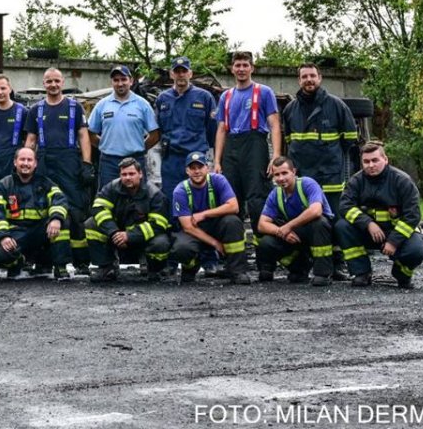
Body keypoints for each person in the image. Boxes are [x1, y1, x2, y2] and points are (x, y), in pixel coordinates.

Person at [281, 62, 358, 280]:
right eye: (304, 76)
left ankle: (336, 264)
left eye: (312, 76)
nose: (309, 80)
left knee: (333, 219)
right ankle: (308, 263)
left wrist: (332, 160)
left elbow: (349, 141)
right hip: (304, 177)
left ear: (320, 78)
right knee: (305, 220)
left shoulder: (336, 106)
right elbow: (290, 143)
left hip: (330, 176)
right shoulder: (290, 110)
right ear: (299, 80)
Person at [24, 68, 92, 273]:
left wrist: (87, 163)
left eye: (56, 81)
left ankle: (81, 262)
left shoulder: (75, 107)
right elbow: (31, 140)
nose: (53, 85)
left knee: (76, 211)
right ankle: (46, 261)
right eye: (49, 81)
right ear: (43, 84)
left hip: (69, 162)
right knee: (45, 210)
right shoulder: (35, 110)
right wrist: (26, 162)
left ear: (62, 82)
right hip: (45, 162)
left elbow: (83, 136)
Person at [335, 142, 423, 288]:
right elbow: (345, 206)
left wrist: (393, 241)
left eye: (375, 160)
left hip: (397, 232)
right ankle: (362, 273)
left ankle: (401, 273)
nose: (371, 165)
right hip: (370, 232)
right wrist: (368, 223)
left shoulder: (402, 181)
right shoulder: (356, 181)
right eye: (366, 162)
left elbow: (413, 216)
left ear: (385, 159)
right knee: (342, 226)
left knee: (417, 250)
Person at [213, 51, 282, 234]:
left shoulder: (264, 92)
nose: (241, 69)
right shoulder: (225, 97)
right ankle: (236, 254)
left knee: (257, 199)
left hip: (255, 147)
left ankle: (263, 252)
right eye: (238, 65)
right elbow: (221, 130)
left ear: (252, 68)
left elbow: (274, 125)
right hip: (231, 148)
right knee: (231, 199)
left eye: (245, 65)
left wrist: (275, 155)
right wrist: (217, 161)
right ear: (232, 69)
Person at [0, 147, 72, 280]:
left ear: (35, 164)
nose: (26, 163)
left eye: (30, 160)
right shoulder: (3, 185)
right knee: (1, 253)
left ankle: (59, 266)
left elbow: (60, 200)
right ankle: (18, 263)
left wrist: (56, 219)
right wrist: (3, 236)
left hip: (40, 232)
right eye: (22, 159)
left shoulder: (46, 183)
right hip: (16, 233)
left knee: (63, 220)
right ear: (15, 162)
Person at [170, 152, 251, 284]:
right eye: (192, 168)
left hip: (216, 226)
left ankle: (237, 271)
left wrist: (204, 214)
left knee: (233, 222)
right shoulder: (180, 191)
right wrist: (215, 243)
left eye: (200, 167)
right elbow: (187, 227)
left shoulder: (218, 180)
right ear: (187, 171)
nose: (197, 171)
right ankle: (190, 268)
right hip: (195, 231)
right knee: (181, 248)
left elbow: (234, 207)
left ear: (207, 168)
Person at [86, 158, 172, 282]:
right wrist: (114, 232)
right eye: (124, 174)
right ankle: (107, 268)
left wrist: (130, 236)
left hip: (143, 239)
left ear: (140, 174)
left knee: (161, 242)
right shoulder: (111, 188)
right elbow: (98, 209)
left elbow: (159, 225)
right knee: (91, 224)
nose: (127, 178)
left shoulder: (154, 194)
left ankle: (155, 270)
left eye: (131, 174)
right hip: (117, 237)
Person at [256, 157, 334, 286]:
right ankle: (299, 268)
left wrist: (288, 226)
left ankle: (323, 274)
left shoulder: (307, 184)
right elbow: (262, 224)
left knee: (319, 223)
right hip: (295, 236)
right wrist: (281, 232)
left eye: (284, 173)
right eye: (277, 175)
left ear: (294, 172)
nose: (281, 178)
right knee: (266, 242)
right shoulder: (275, 194)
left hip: (319, 235)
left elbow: (316, 211)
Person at [154, 56, 217, 202]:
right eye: (177, 71)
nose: (181, 74)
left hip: (196, 158)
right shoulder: (162, 99)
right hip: (171, 159)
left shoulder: (204, 97)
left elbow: (212, 129)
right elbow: (158, 129)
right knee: (171, 198)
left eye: (184, 71)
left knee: (199, 199)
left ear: (190, 73)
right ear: (171, 74)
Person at [88, 65, 159, 188]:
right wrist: (106, 145)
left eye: (123, 79)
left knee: (138, 199)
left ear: (131, 81)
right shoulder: (102, 105)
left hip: (136, 160)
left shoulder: (142, 104)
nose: (120, 83)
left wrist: (141, 147)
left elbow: (155, 134)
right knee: (107, 199)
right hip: (109, 163)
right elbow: (90, 133)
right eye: (116, 80)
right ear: (112, 82)